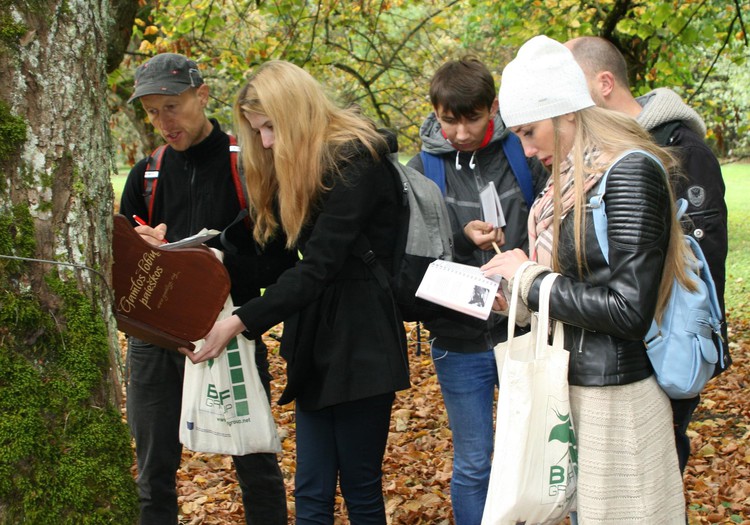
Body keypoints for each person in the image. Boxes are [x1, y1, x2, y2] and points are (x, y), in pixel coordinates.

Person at [181, 60, 411, 525]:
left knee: (360, 487)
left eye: (269, 127)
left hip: (363, 341)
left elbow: (320, 267)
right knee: (311, 489)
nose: (264, 141)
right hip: (316, 341)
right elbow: (272, 255)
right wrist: (196, 259)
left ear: (296, 114)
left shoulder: (356, 162)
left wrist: (237, 322)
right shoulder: (300, 166)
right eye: (256, 130)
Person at [482, 35, 687, 523]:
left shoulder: (630, 170)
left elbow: (628, 310)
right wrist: (510, 295)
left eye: (531, 132)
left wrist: (529, 279)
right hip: (568, 386)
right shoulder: (565, 185)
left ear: (566, 112)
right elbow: (574, 283)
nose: (528, 151)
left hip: (618, 398)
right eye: (520, 137)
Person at [119, 53, 296, 525]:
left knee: (254, 457)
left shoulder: (250, 164)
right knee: (153, 469)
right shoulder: (147, 174)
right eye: (153, 112)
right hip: (155, 339)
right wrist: (141, 250)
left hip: (231, 328)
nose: (163, 122)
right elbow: (121, 270)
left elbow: (281, 263)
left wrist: (212, 265)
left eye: (172, 106)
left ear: (202, 95)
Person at [564, 35, 729, 474]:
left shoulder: (681, 152)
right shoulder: (593, 153)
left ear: (603, 84)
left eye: (568, 83)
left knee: (657, 475)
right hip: (615, 350)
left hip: (661, 350)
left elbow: (700, 266)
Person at [405, 56, 548, 525]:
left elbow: (550, 226)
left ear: (493, 108)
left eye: (473, 119)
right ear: (435, 112)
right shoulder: (421, 166)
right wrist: (461, 237)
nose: (462, 133)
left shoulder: (523, 153)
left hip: (524, 331)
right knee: (473, 462)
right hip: (459, 337)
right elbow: (411, 250)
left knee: (537, 453)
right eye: (450, 120)